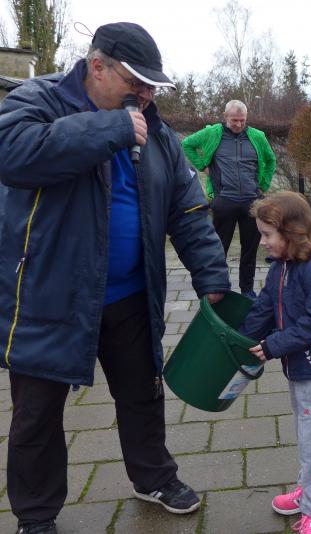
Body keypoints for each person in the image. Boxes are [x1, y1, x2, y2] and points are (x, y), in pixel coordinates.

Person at [0, 22, 231, 533]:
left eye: (151, 87)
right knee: (37, 413)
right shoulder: (39, 100)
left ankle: (153, 477)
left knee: (143, 393)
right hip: (49, 297)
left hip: (130, 293)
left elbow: (187, 208)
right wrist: (112, 129)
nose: (145, 96)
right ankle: (35, 514)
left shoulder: (157, 133)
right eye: (136, 83)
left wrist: (212, 275)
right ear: (97, 66)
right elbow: (12, 154)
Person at [239, 192, 311, 534]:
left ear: (291, 232)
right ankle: (308, 490)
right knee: (306, 433)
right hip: (300, 364)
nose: (262, 242)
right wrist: (239, 340)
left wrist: (273, 345)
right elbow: (264, 307)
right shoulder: (282, 265)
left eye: (267, 235)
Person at [182, 100, 277, 299]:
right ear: (225, 116)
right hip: (224, 200)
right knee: (218, 249)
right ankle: (218, 289)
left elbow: (270, 160)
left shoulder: (257, 136)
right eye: (234, 120)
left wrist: (263, 185)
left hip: (252, 202)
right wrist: (203, 167)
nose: (239, 124)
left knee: (249, 249)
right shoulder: (212, 133)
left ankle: (247, 290)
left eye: (242, 120)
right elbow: (187, 144)